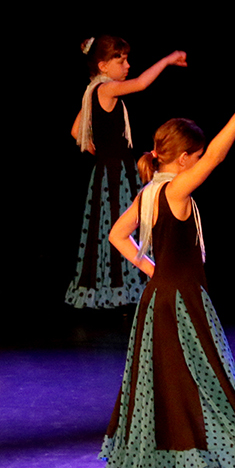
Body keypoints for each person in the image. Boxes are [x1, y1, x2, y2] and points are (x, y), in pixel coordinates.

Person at [102, 85, 235, 468]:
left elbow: (117, 235)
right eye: (196, 156)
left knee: (162, 387)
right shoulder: (173, 190)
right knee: (217, 383)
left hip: (158, 301)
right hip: (183, 303)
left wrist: (153, 270)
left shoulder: (148, 191)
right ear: (185, 158)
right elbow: (217, 157)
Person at [64, 36, 187, 309]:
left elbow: (76, 132)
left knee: (107, 227)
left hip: (106, 172)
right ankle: (124, 289)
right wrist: (167, 60)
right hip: (115, 173)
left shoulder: (91, 91)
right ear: (103, 65)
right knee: (123, 227)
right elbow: (142, 84)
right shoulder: (105, 89)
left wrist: (104, 151)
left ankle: (111, 289)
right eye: (122, 61)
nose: (127, 66)